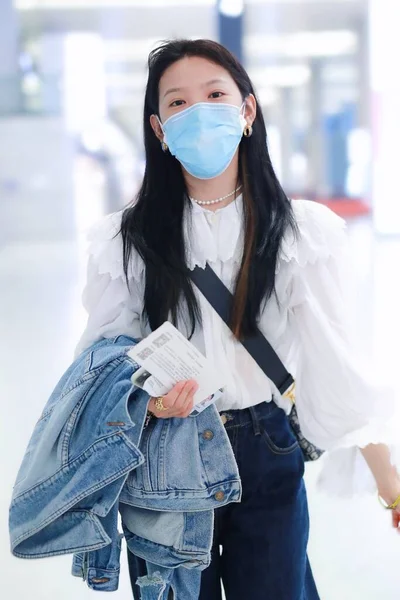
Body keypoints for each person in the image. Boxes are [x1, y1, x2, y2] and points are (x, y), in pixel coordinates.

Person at [75, 39, 400, 600]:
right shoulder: (125, 241)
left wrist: (388, 481)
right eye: (177, 103)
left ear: (246, 111)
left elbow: (334, 363)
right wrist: (144, 402)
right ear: (159, 129)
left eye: (215, 94)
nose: (197, 111)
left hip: (264, 447)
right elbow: (97, 363)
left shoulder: (300, 232)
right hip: (164, 455)